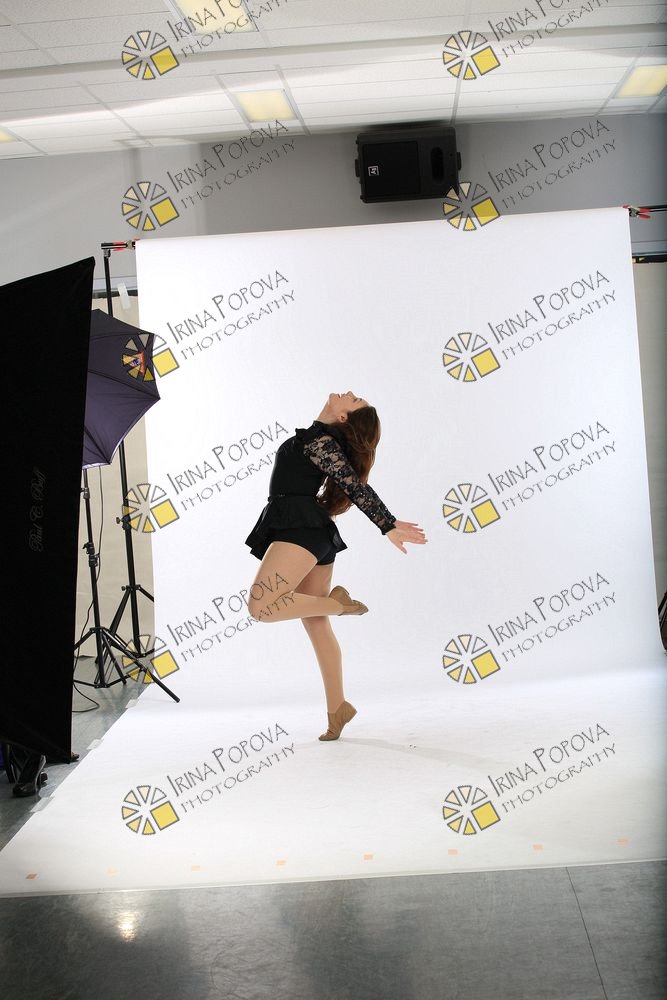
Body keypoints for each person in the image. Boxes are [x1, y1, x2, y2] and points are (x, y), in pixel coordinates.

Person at [245, 391, 427, 741]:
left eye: (355, 400)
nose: (350, 394)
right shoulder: (317, 439)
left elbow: (354, 487)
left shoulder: (321, 442)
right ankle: (337, 709)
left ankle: (339, 604)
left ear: (343, 417)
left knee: (261, 607)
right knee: (316, 623)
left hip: (302, 528)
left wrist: (387, 524)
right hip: (311, 529)